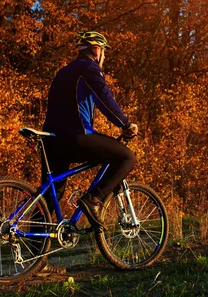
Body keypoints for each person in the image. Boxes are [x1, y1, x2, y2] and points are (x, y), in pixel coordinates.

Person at [38, 31, 138, 275]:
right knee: (126, 157)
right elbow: (105, 98)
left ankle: (36, 261)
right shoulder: (89, 69)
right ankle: (93, 199)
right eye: (104, 52)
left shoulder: (63, 71)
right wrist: (124, 123)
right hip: (75, 137)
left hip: (50, 140)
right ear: (96, 50)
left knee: (49, 197)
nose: (103, 57)